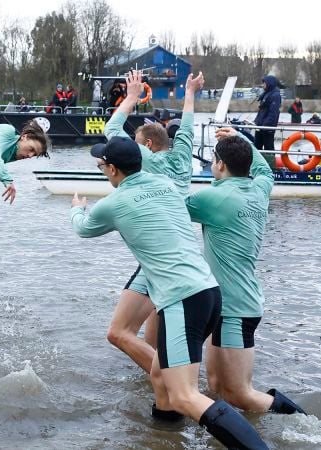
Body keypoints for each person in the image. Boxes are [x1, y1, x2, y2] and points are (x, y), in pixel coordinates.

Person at [70, 137, 267, 449]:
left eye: (101, 166)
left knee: (184, 395)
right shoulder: (166, 185)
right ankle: (164, 439)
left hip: (181, 300)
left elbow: (83, 228)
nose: (102, 170)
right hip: (209, 292)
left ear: (112, 169)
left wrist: (77, 209)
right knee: (161, 378)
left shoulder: (114, 202)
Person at [186, 127, 307, 416]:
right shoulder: (259, 189)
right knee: (216, 385)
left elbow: (168, 210)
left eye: (213, 159)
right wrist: (241, 139)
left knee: (240, 393)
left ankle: (307, 424)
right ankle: (240, 433)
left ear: (220, 164)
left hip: (237, 309)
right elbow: (264, 170)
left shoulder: (213, 198)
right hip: (225, 305)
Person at [102, 69, 201, 373]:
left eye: (136, 143)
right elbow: (187, 125)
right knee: (156, 340)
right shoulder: (183, 158)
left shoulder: (145, 160)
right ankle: (159, 387)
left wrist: (132, 96)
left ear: (146, 145)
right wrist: (190, 93)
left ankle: (172, 382)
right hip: (184, 249)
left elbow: (111, 127)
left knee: (123, 333)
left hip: (158, 254)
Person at [254, 75, 281, 167]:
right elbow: (262, 110)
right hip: (260, 125)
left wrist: (265, 125)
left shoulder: (275, 95)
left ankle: (270, 167)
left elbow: (273, 113)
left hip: (267, 127)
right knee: (257, 147)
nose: (263, 85)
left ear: (269, 83)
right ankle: (257, 166)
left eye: (264, 83)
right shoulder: (266, 93)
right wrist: (257, 122)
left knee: (268, 147)